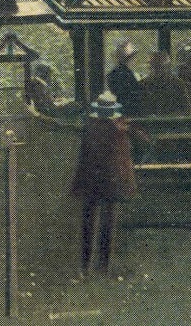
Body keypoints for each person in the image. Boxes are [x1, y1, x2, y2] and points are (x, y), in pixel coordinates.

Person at [70, 92, 141, 275]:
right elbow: (145, 142)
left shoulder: (90, 127)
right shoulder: (122, 128)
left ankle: (84, 266)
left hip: (91, 180)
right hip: (113, 181)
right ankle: (103, 267)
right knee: (108, 224)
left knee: (88, 223)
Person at [107, 40, 144, 117]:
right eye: (133, 57)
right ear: (129, 59)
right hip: (129, 114)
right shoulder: (122, 74)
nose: (135, 60)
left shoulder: (112, 74)